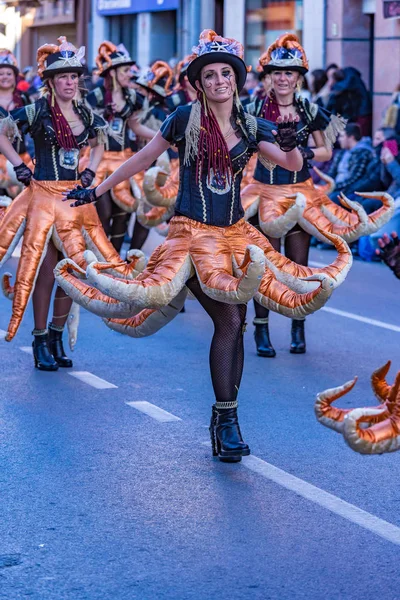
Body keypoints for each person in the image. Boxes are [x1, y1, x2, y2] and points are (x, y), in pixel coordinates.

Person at [59, 30, 351, 463]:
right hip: (190, 238)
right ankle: (227, 422)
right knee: (231, 322)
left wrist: (294, 147)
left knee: (236, 321)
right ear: (199, 83)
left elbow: (289, 163)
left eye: (225, 74)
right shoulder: (183, 119)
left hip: (234, 236)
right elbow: (143, 158)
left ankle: (225, 420)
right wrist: (99, 188)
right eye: (209, 75)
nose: (218, 81)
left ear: (235, 79)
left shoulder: (252, 125)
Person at [0, 36, 145, 371]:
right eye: (63, 76)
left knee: (73, 272)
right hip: (41, 196)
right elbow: (3, 131)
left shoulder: (85, 113)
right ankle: (39, 340)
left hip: (74, 199)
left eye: (74, 76)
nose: (69, 82)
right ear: (51, 81)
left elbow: (98, 142)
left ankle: (55, 336)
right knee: (46, 271)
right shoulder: (37, 110)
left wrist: (90, 170)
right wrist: (18, 165)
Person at [241, 34, 347, 357]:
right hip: (264, 194)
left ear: (299, 77)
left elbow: (327, 149)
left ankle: (297, 327)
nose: (283, 78)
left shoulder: (310, 109)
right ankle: (261, 331)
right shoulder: (253, 108)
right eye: (277, 72)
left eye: (289, 73)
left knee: (298, 265)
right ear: (269, 77)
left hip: (300, 194)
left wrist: (303, 152)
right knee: (265, 265)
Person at [86, 41, 155, 252]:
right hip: (101, 159)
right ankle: (100, 253)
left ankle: (114, 260)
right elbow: (86, 127)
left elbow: (136, 126)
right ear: (113, 72)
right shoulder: (96, 96)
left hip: (125, 159)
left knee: (124, 210)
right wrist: (101, 114)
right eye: (125, 70)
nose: (130, 74)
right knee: (104, 210)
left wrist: (166, 139)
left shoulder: (132, 97)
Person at [327, 123, 377, 202]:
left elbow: (355, 178)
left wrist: (334, 187)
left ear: (351, 137)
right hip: (336, 187)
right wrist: (326, 185)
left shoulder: (363, 153)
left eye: (342, 136)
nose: (339, 139)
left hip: (349, 190)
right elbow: (331, 172)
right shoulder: (341, 153)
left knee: (331, 199)